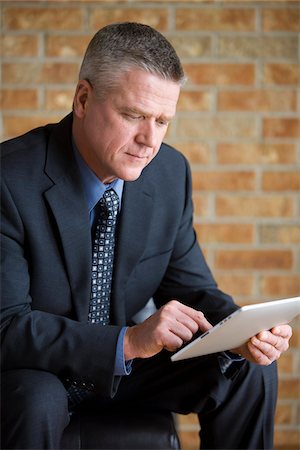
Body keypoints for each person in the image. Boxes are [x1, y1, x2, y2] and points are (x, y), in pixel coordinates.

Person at [1, 22, 292, 450]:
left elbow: (193, 290)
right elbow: (6, 328)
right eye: (134, 115)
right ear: (83, 98)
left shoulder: (170, 174)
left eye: (162, 121)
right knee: (36, 399)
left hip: (127, 369)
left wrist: (244, 332)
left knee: (248, 368)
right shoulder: (9, 179)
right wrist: (130, 340)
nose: (149, 140)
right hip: (37, 372)